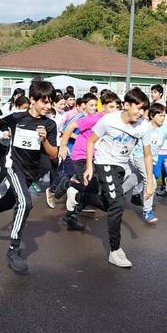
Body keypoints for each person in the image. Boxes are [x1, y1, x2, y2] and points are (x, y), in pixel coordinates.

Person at [0, 81, 58, 274]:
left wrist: (44, 140)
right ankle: (13, 250)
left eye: (50, 102)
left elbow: (53, 154)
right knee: (25, 203)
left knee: (11, 201)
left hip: (31, 173)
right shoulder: (18, 117)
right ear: (33, 100)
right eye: (44, 102)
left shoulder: (50, 124)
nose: (47, 106)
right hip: (13, 166)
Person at [80, 88, 154, 268]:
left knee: (110, 203)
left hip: (122, 166)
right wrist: (89, 166)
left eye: (144, 109)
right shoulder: (109, 120)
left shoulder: (143, 126)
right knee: (118, 204)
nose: (141, 113)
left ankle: (80, 196)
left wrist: (150, 181)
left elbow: (147, 155)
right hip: (104, 162)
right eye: (138, 108)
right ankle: (115, 250)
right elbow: (91, 141)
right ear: (127, 105)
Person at [57, 91, 120, 230]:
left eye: (117, 107)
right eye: (111, 107)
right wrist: (62, 145)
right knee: (90, 188)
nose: (114, 110)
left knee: (91, 190)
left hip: (94, 157)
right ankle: (67, 184)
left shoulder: (114, 120)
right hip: (81, 156)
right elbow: (71, 127)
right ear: (103, 106)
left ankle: (70, 216)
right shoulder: (95, 118)